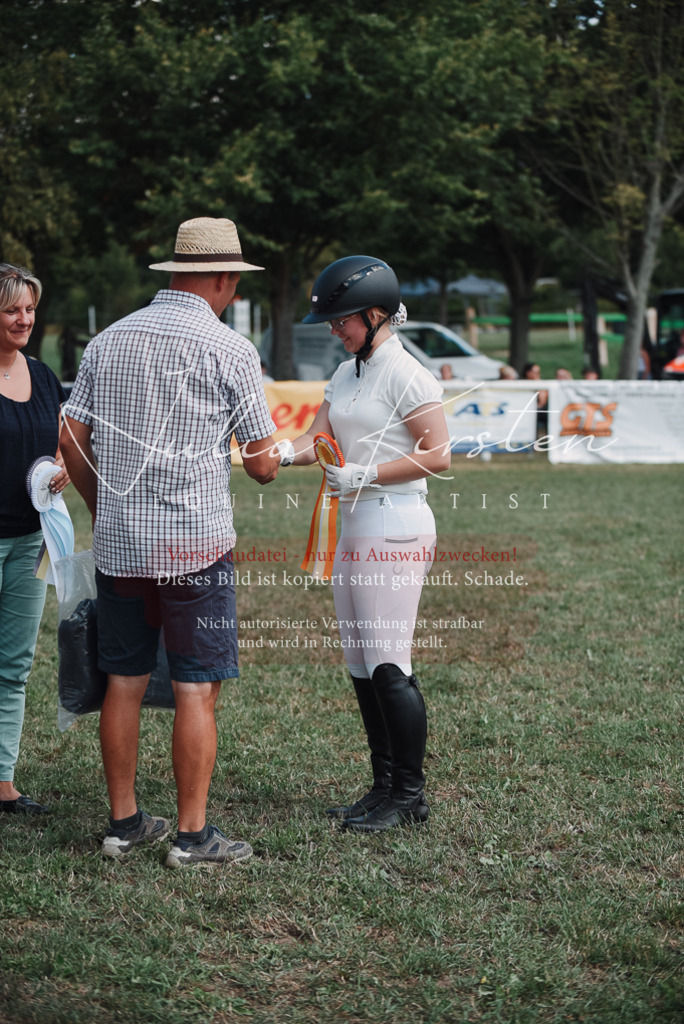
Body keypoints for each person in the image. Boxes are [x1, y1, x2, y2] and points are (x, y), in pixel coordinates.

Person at [60, 217, 290, 867]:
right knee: (196, 687)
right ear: (222, 279)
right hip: (196, 546)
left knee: (123, 682)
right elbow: (263, 464)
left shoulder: (108, 341)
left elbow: (71, 439)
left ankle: (125, 822)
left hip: (122, 546)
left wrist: (102, 506)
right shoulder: (230, 349)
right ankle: (192, 837)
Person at [286, 256, 451, 834]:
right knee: (361, 666)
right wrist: (283, 453)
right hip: (354, 525)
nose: (336, 330)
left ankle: (409, 796)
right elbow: (319, 437)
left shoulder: (408, 373)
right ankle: (383, 787)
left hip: (395, 524)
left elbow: (439, 454)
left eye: (343, 320)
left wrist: (367, 473)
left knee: (388, 665)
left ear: (376, 313)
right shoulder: (348, 372)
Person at [0, 264, 69, 816]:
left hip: (31, 540)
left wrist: (62, 466)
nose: (24, 319)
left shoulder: (44, 376)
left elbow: (60, 442)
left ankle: (2, 781)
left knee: (14, 665)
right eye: (11, 310)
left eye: (29, 308)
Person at [522, 361, 548, 435]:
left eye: (539, 372)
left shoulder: (542, 385)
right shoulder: (521, 385)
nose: (538, 375)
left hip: (537, 413)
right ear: (528, 373)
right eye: (536, 373)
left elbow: (542, 402)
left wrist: (538, 384)